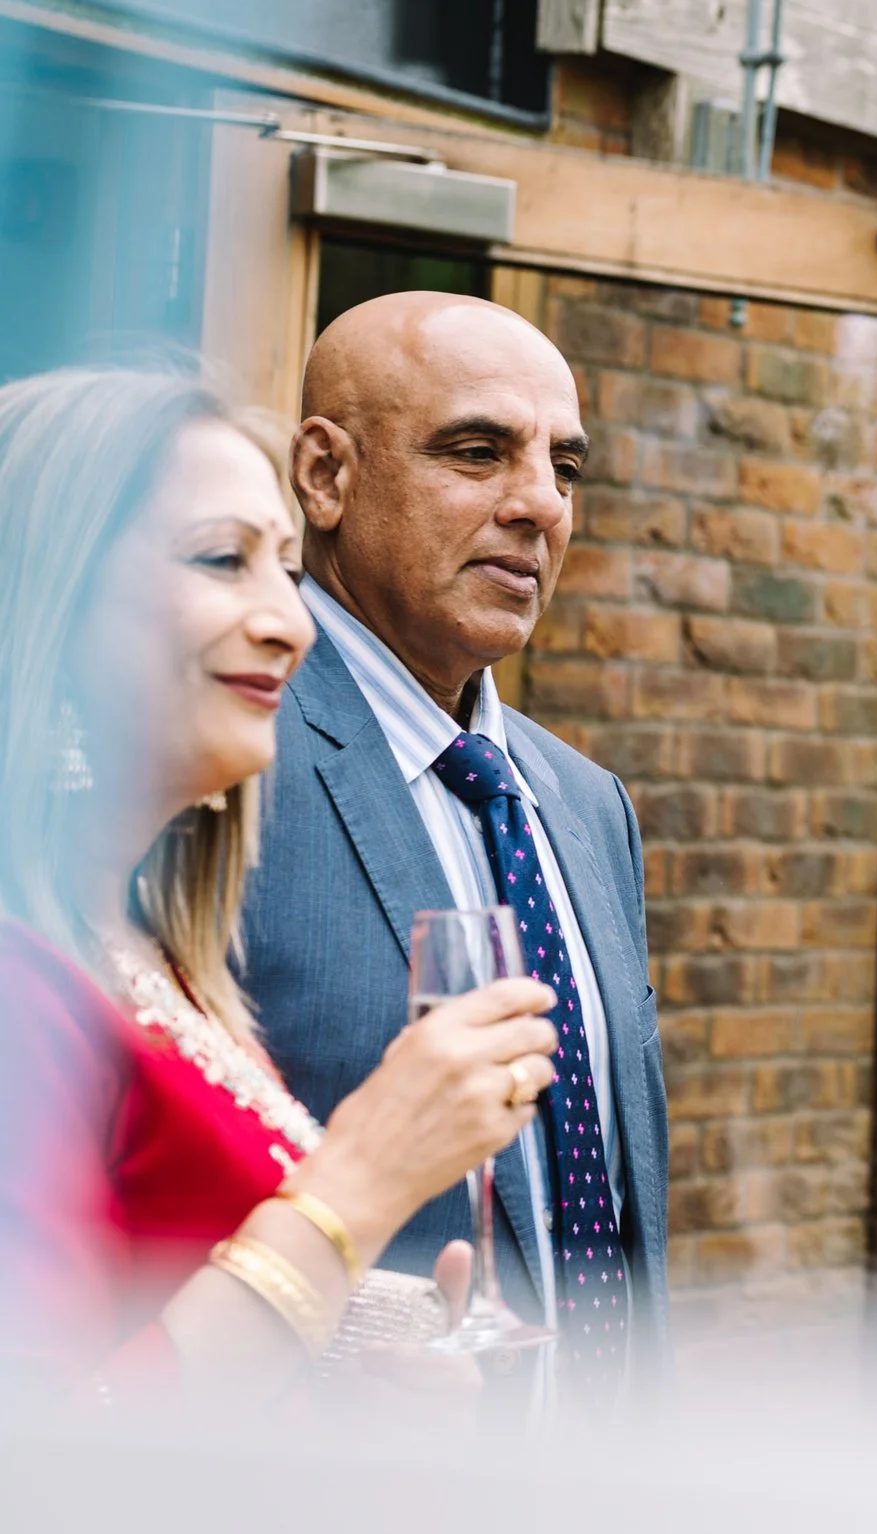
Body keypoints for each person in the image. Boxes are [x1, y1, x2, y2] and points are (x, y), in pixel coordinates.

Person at [0, 366, 560, 1400]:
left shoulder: (153, 960)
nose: (290, 625)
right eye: (223, 559)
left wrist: (346, 1382)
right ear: (44, 598)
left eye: (287, 573)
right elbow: (45, 1451)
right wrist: (367, 1172)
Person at [238, 293, 670, 1408]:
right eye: (477, 452)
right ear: (325, 476)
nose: (540, 505)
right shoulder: (222, 761)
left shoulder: (588, 804)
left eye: (564, 468)